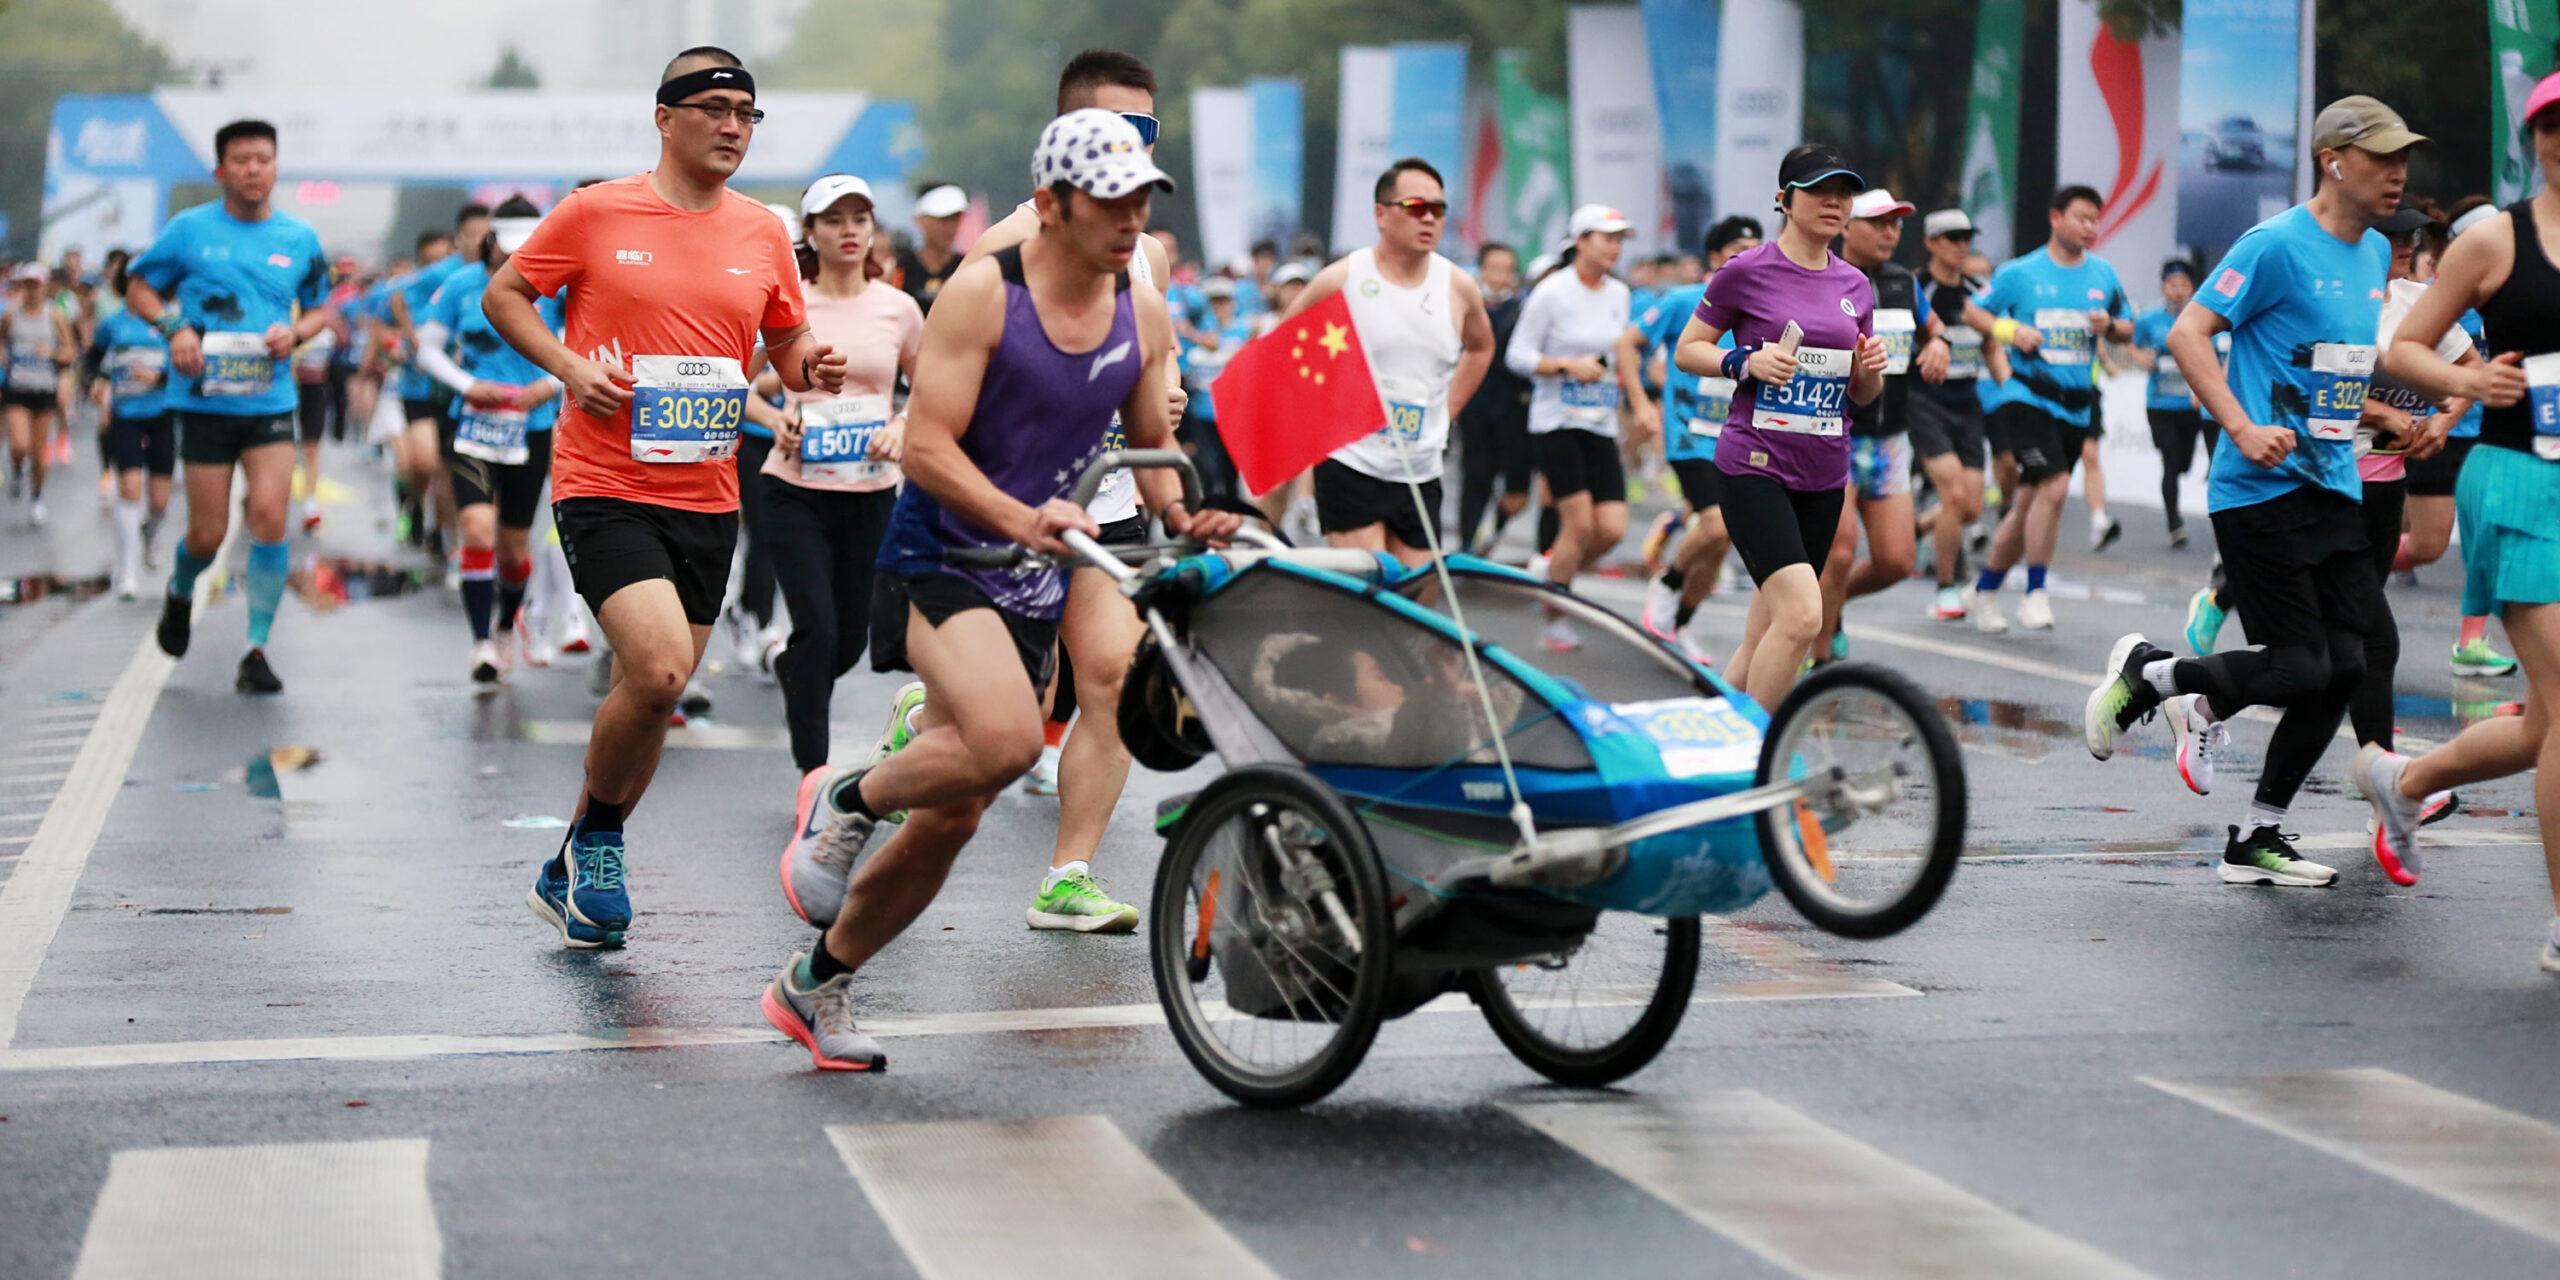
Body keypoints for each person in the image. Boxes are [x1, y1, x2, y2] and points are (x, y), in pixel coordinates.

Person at [766, 110, 1238, 1068]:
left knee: (958, 812)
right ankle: (850, 798)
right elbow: (929, 446)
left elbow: (1154, 451)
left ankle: (815, 985)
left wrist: (1191, 518)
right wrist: (1023, 517)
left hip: (1037, 569)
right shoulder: (985, 294)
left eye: (1143, 199)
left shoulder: (1140, 308)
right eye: (1110, 199)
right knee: (1010, 740)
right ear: (1051, 205)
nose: (1129, 218)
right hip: (942, 556)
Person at [481, 47, 844, 949]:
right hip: (605, 481)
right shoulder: (597, 210)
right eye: (715, 108)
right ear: (665, 116)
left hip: (707, 495)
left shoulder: (762, 230)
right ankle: (600, 844)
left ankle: (569, 858)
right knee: (657, 671)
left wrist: (813, 370)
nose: (732, 127)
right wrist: (569, 366)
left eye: (747, 114)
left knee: (652, 698)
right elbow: (507, 295)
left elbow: (787, 342)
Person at [2081, 96, 2422, 888]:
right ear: (2334, 161)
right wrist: (2237, 424)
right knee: (2303, 666)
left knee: (2351, 663)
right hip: (2257, 489)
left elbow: (2324, 365)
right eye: (2384, 156)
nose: (2400, 171)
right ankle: (2153, 677)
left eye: (2406, 155)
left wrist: (2378, 411)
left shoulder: (2373, 252)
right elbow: (2188, 333)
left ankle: (2258, 833)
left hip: (2334, 481)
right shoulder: (2272, 245)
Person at [943, 49, 1195, 928]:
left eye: (1148, 136)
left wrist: (1164, 402)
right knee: (997, 729)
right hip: (1011, 515)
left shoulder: (1146, 259)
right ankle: (905, 740)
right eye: (1121, 134)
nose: (1136, 158)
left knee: (1115, 679)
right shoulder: (1002, 249)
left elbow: (1152, 374)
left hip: (1110, 507)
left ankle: (1069, 874)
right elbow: (954, 397)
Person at [2363, 71, 2560, 958]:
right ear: (2535, 139)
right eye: (2552, 125)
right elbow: (2406, 343)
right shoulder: (2495, 241)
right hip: (2517, 479)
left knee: (2545, 722)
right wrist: (2468, 380)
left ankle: (2405, 784)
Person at [1672, 143, 1887, 706]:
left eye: (1844, 193)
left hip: (1822, 476)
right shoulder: (1746, 271)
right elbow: (1688, 349)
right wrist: (1743, 362)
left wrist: (1870, 373)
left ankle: (1709, 735)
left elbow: (1860, 393)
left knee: (1764, 636)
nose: (1834, 202)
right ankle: (1759, 757)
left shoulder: (1856, 286)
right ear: (1784, 201)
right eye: (1819, 190)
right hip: (1755, 467)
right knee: (1802, 618)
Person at [127, 119, 332, 695]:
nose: (252, 169)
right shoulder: (189, 231)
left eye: (263, 159)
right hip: (202, 401)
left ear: (275, 166)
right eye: (240, 160)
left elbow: (319, 307)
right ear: (221, 171)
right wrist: (174, 328)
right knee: (209, 535)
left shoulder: (299, 238)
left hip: (270, 400)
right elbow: (138, 287)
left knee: (270, 518)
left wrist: (296, 333)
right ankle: (180, 589)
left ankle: (256, 648)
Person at [760, 173, 922, 803]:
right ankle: (814, 779)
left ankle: (795, 673)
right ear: (811, 233)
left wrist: (903, 425)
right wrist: (777, 420)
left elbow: (936, 381)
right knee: (819, 629)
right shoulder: (789, 306)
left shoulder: (898, 308)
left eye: (860, 218)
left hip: (872, 491)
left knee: (852, 638)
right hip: (794, 490)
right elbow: (737, 380)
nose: (849, 230)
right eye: (834, 220)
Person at [1280, 157, 1494, 564]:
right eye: (1416, 207)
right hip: (1349, 462)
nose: (1429, 218)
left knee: (1420, 590)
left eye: (1438, 209)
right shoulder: (1342, 278)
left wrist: (1447, 410)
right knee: (1375, 582)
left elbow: (1481, 348)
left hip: (1419, 467)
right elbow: (1282, 347)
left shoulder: (1459, 287)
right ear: (1382, 214)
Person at [1966, 185, 2131, 632]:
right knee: (2055, 487)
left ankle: (1984, 592)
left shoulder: (2103, 275)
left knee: (2027, 508)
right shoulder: (2020, 273)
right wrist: (2010, 330)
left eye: (2096, 219)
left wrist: (2111, 326)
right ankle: (2035, 593)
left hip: (2075, 406)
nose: (2090, 227)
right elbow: (1973, 312)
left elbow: (2127, 328)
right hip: (2026, 397)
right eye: (2082, 217)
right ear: (2055, 218)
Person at [414, 196, 565, 684]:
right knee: (476, 530)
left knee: (513, 550)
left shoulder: (558, 286)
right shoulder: (459, 285)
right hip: (474, 426)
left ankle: (505, 625)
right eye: (509, 246)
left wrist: (549, 384)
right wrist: (466, 385)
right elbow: (429, 351)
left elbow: (591, 341)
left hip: (533, 426)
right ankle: (480, 641)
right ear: (491, 240)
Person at [1508, 203, 1651, 651]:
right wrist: (1566, 365)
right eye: (1607, 238)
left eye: (1620, 240)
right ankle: (1555, 616)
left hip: (1600, 422)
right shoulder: (1552, 292)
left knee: (1611, 528)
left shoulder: (1619, 294)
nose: (1615, 248)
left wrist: (1634, 391)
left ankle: (1549, 569)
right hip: (1557, 423)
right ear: (1581, 241)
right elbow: (1517, 355)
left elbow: (1621, 353)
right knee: (1580, 526)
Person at [2403, 197, 2523, 679]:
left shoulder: (2511, 294)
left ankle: (2471, 643)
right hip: (2435, 431)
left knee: (2484, 541)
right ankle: (2334, 578)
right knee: (2427, 545)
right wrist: (2450, 410)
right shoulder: (2439, 297)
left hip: (2490, 439)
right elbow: (2405, 356)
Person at [1822, 188, 1944, 661]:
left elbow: (1934, 327)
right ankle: (1820, 663)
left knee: (1897, 561)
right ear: (1847, 226)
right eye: (1878, 223)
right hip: (1837, 436)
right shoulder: (1824, 277)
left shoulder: (1903, 283)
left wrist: (1939, 344)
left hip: (1891, 440)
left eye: (1896, 224)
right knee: (1839, 552)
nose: (1890, 233)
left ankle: (1828, 606)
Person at [1635, 214, 1761, 661]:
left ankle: (1680, 624)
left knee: (1722, 540)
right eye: (1735, 254)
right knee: (1715, 525)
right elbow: (1628, 342)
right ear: (1713, 258)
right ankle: (1668, 584)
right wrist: (1642, 400)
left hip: (1739, 436)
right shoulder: (1683, 300)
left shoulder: (1760, 309)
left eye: (1754, 252)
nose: (1746, 261)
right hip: (1688, 437)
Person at [1909, 208, 2001, 619]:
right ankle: (1945, 589)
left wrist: (2006, 380)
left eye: (1966, 238)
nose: (1961, 246)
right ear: (1931, 243)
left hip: (1968, 404)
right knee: (1955, 495)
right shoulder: (1915, 288)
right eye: (1951, 238)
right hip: (1925, 402)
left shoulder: (1978, 290)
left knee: (1971, 508)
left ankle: (1919, 525)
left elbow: (1990, 341)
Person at [390, 205, 491, 558]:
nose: (480, 241)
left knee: (450, 471)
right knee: (423, 462)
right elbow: (397, 297)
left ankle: (444, 537)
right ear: (458, 239)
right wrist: (414, 339)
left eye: (486, 232)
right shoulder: (443, 274)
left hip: (462, 393)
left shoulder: (498, 274)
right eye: (473, 234)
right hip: (420, 387)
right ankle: (413, 503)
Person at [83, 261, 173, 598]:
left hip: (162, 414)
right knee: (130, 487)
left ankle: (151, 532)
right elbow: (92, 358)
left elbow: (188, 366)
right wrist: (95, 383)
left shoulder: (170, 322)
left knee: (160, 500)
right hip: (125, 415)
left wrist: (159, 378)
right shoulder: (113, 324)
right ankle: (127, 571)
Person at [1456, 241, 1532, 554]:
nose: (1500, 277)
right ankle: (1466, 544)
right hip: (1474, 404)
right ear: (1482, 270)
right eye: (1494, 269)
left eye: (1506, 270)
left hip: (1514, 408)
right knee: (1475, 476)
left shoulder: (1525, 311)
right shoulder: (1464, 306)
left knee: (1516, 487)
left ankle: (1492, 530)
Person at [2128, 259, 2211, 546]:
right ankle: (2175, 523)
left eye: (2184, 285)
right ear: (2163, 286)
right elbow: (2131, 343)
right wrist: (2142, 360)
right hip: (2160, 404)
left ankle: (2177, 509)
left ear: (2193, 287)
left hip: (2191, 405)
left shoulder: (2201, 318)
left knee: (2184, 463)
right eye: (2172, 285)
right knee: (2170, 461)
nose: (2178, 291)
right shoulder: (2149, 318)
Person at [3, 263, 76, 526]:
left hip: (44, 390)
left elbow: (70, 350)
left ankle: (37, 496)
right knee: (19, 444)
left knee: (38, 453)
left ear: (45, 286)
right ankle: (16, 470)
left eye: (36, 284)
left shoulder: (55, 314)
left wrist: (52, 354)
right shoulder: (11, 315)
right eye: (27, 284)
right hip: (17, 388)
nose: (32, 290)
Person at [899, 183, 969, 315]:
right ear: (920, 219)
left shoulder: (968, 267)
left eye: (956, 219)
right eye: (943, 219)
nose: (950, 227)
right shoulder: (899, 268)